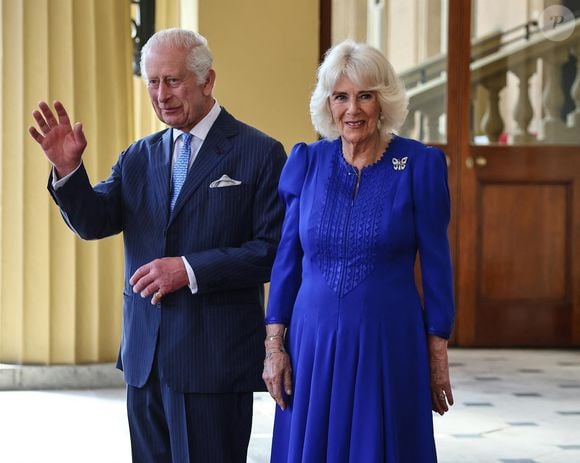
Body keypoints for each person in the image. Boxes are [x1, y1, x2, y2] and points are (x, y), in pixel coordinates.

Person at [29, 28, 286, 463]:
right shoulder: (138, 155)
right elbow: (93, 222)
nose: (160, 94)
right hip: (144, 363)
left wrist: (188, 269)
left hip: (213, 363)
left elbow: (271, 250)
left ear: (207, 81)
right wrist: (69, 172)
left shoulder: (259, 152)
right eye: (152, 82)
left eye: (173, 80)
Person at [262, 39, 455, 462]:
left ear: (383, 101)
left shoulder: (419, 165)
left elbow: (438, 265)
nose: (353, 109)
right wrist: (274, 346)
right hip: (311, 346)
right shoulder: (306, 163)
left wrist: (437, 353)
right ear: (328, 105)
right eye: (341, 97)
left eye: (365, 96)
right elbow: (287, 260)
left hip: (388, 344)